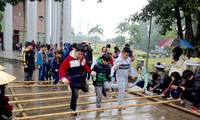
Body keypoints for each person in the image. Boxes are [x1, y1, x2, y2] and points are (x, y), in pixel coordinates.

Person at [59, 44, 93, 116]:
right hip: (73, 80)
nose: (80, 56)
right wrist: (63, 78)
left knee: (86, 89)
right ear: (74, 50)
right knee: (75, 95)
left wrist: (91, 72)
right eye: (79, 54)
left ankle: (84, 87)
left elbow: (85, 67)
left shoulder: (83, 58)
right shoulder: (68, 59)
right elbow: (62, 69)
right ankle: (73, 108)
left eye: (82, 54)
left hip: (81, 79)